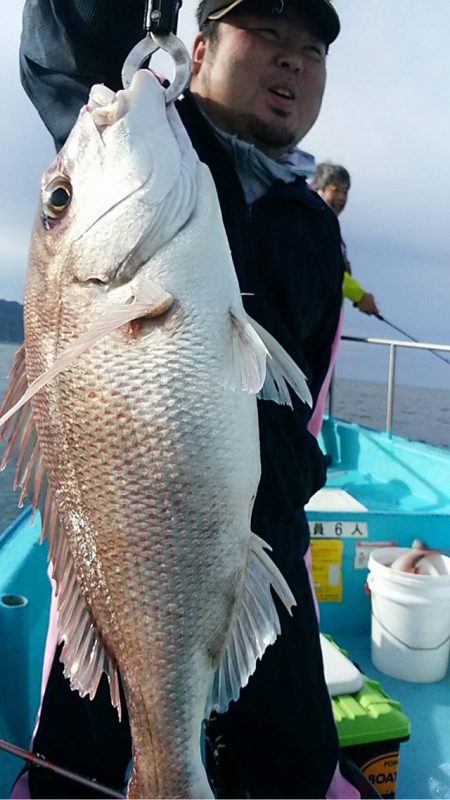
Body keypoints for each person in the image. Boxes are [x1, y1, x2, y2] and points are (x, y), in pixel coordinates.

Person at [15, 1, 348, 797]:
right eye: (265, 33)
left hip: (266, 544)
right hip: (128, 557)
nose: (292, 61)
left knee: (296, 769)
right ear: (195, 49)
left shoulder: (312, 223)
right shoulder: (150, 133)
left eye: (310, 47)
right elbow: (68, 45)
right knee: (75, 776)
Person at [311, 162, 380, 316]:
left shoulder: (326, 223)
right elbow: (330, 272)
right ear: (318, 190)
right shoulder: (314, 223)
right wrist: (360, 296)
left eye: (345, 192)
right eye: (335, 190)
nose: (341, 197)